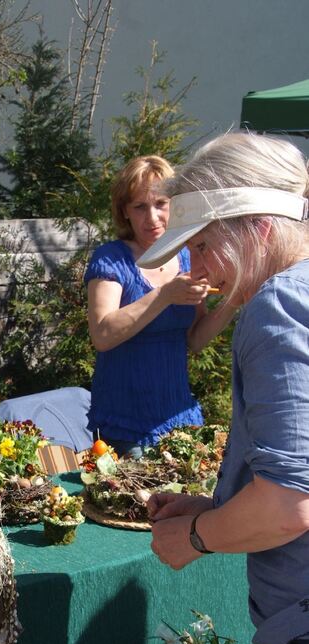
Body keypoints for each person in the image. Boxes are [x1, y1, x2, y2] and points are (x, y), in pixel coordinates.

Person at [142, 132, 309, 644]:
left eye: (204, 242)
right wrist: (215, 507)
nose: (198, 264)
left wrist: (193, 539)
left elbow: (288, 504)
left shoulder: (278, 306)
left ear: (259, 226)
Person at [85, 155, 234, 457]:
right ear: (124, 211)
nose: (151, 217)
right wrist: (165, 295)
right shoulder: (112, 259)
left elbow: (194, 339)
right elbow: (102, 335)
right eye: (140, 206)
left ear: (175, 206)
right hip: (126, 426)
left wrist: (233, 302)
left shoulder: (188, 257)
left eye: (161, 204)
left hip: (180, 417)